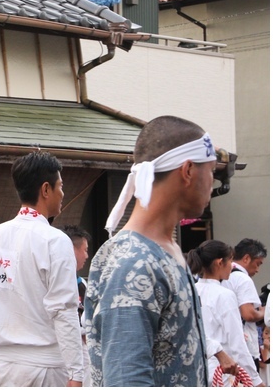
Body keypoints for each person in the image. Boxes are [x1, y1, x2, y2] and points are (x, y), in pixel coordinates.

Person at [84, 115, 215, 386]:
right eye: (211, 170)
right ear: (188, 170)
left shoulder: (165, 249)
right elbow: (127, 379)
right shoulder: (133, 261)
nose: (213, 182)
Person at [0, 151, 84, 387]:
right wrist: (77, 373)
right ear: (46, 190)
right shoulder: (54, 240)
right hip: (43, 370)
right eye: (60, 186)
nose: (63, 193)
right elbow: (64, 309)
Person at [188, 240, 263, 386]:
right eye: (230, 261)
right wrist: (255, 380)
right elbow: (237, 344)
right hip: (222, 371)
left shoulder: (192, 290)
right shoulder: (224, 295)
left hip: (197, 368)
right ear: (219, 262)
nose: (232, 266)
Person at [224, 238, 267, 368]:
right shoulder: (243, 279)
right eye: (258, 264)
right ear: (247, 258)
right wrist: (264, 312)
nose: (258, 269)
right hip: (243, 347)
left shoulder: (221, 276)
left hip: (224, 345)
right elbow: (249, 314)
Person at [61, 224, 91, 387]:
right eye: (85, 250)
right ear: (71, 249)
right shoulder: (68, 282)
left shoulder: (81, 283)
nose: (86, 255)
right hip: (68, 355)